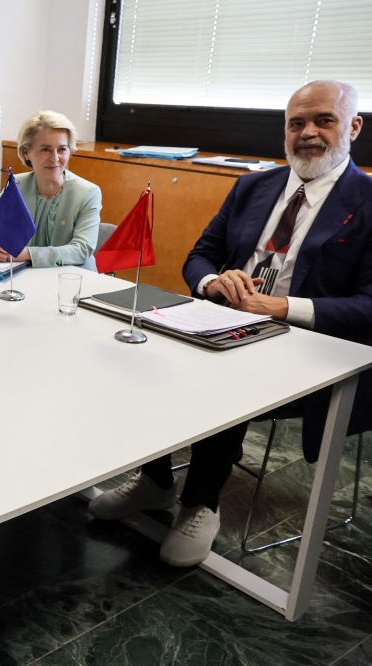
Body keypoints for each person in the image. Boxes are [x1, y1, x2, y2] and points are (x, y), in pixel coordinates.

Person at [89, 80, 372, 567]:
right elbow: (200, 256)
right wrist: (213, 282)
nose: (308, 133)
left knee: (222, 377)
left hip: (311, 343)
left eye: (323, 120)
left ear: (353, 127)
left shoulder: (367, 201)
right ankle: (155, 481)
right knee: (139, 352)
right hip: (226, 320)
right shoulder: (252, 186)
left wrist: (282, 307)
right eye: (296, 123)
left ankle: (201, 504)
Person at [0, 111, 101, 270]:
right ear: (26, 152)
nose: (55, 158)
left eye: (62, 149)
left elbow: (82, 249)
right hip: (28, 278)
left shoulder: (88, 193)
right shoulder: (17, 185)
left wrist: (28, 254)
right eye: (45, 149)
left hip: (75, 279)